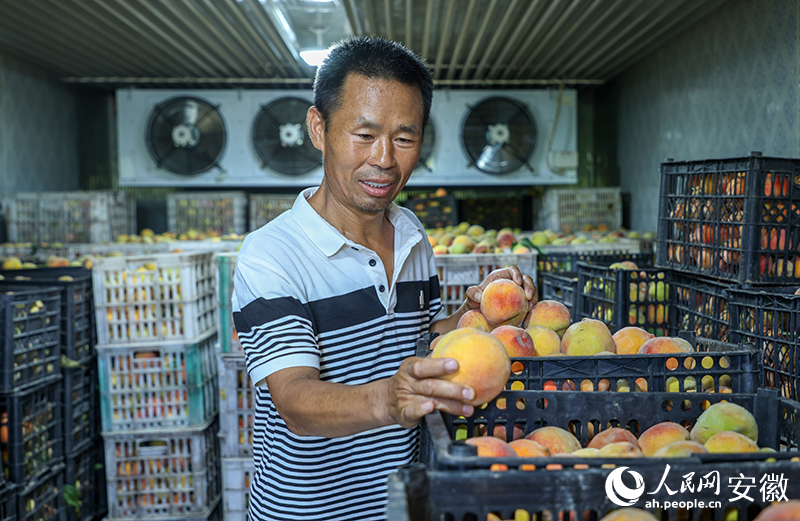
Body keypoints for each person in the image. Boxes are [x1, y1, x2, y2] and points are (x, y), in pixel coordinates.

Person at [232, 35, 537, 521]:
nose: (384, 159)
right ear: (318, 127)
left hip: (403, 506)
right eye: (364, 134)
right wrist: (389, 400)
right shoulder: (272, 254)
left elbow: (419, 341)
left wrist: (475, 312)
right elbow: (295, 399)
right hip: (308, 513)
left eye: (404, 138)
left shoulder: (411, 232)